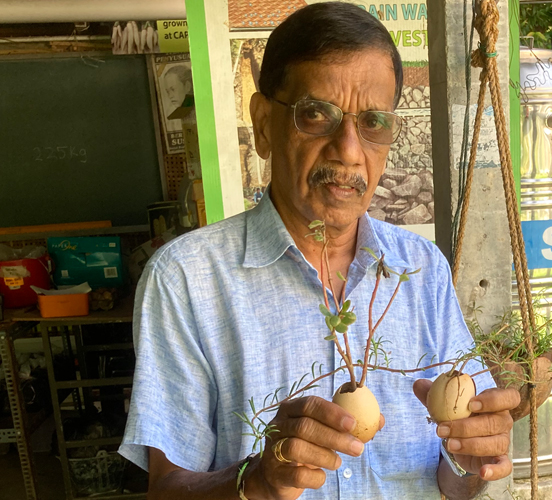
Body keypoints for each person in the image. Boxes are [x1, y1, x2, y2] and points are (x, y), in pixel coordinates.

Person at [119, 3, 519, 499]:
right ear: (263, 124)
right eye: (316, 114)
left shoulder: (421, 268)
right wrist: (256, 481)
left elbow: (454, 483)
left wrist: (469, 460)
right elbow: (167, 489)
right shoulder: (186, 279)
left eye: (374, 122)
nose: (349, 150)